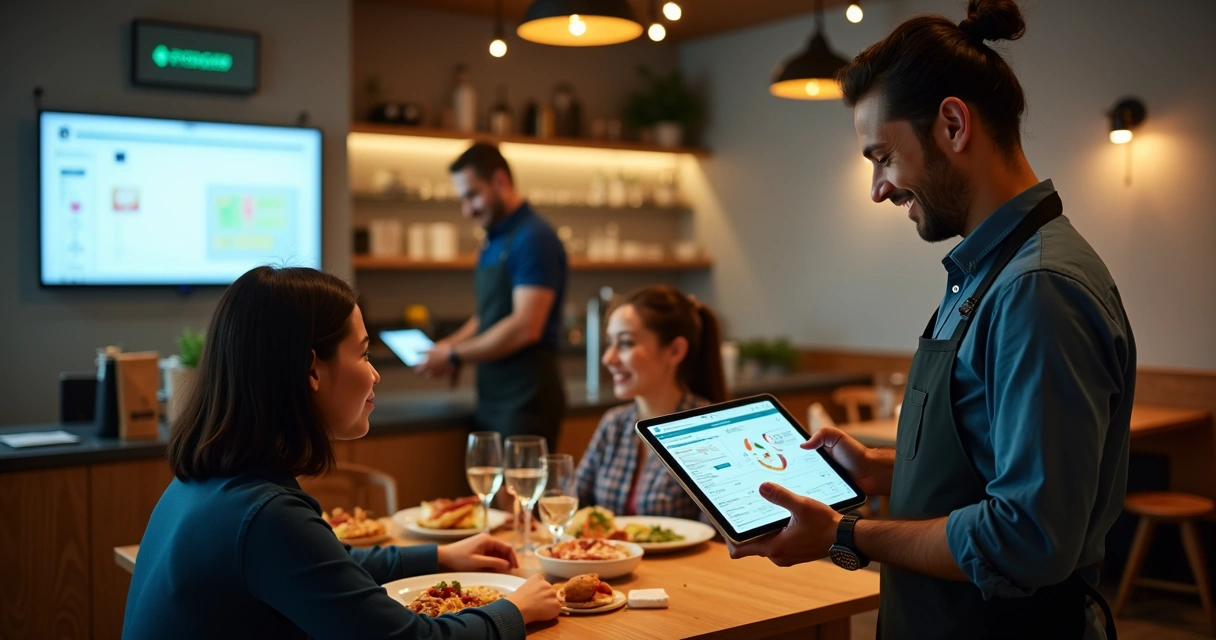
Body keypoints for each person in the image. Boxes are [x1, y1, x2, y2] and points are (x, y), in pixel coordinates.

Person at [730, 2, 1135, 639]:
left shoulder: (1037, 288)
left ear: (952, 124)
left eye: (883, 156)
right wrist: (884, 471)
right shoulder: (987, 271)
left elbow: (1028, 537)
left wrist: (845, 533)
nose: (878, 189)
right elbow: (990, 460)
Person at [123, 266, 561, 640]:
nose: (375, 375)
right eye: (364, 353)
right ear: (311, 369)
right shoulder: (266, 514)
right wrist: (515, 611)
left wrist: (441, 556)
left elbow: (326, 563)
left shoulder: (207, 483)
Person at [415, 144, 569, 449]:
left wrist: (456, 355)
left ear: (500, 181)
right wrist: (447, 347)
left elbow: (526, 326)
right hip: (492, 394)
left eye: (472, 195)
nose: (467, 210)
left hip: (528, 398)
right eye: (463, 199)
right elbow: (487, 316)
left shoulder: (534, 237)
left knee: (519, 496)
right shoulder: (492, 241)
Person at [575, 285, 726, 519]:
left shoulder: (711, 430)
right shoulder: (614, 423)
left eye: (625, 343)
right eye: (609, 343)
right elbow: (573, 502)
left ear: (675, 351)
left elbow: (720, 537)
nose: (608, 358)